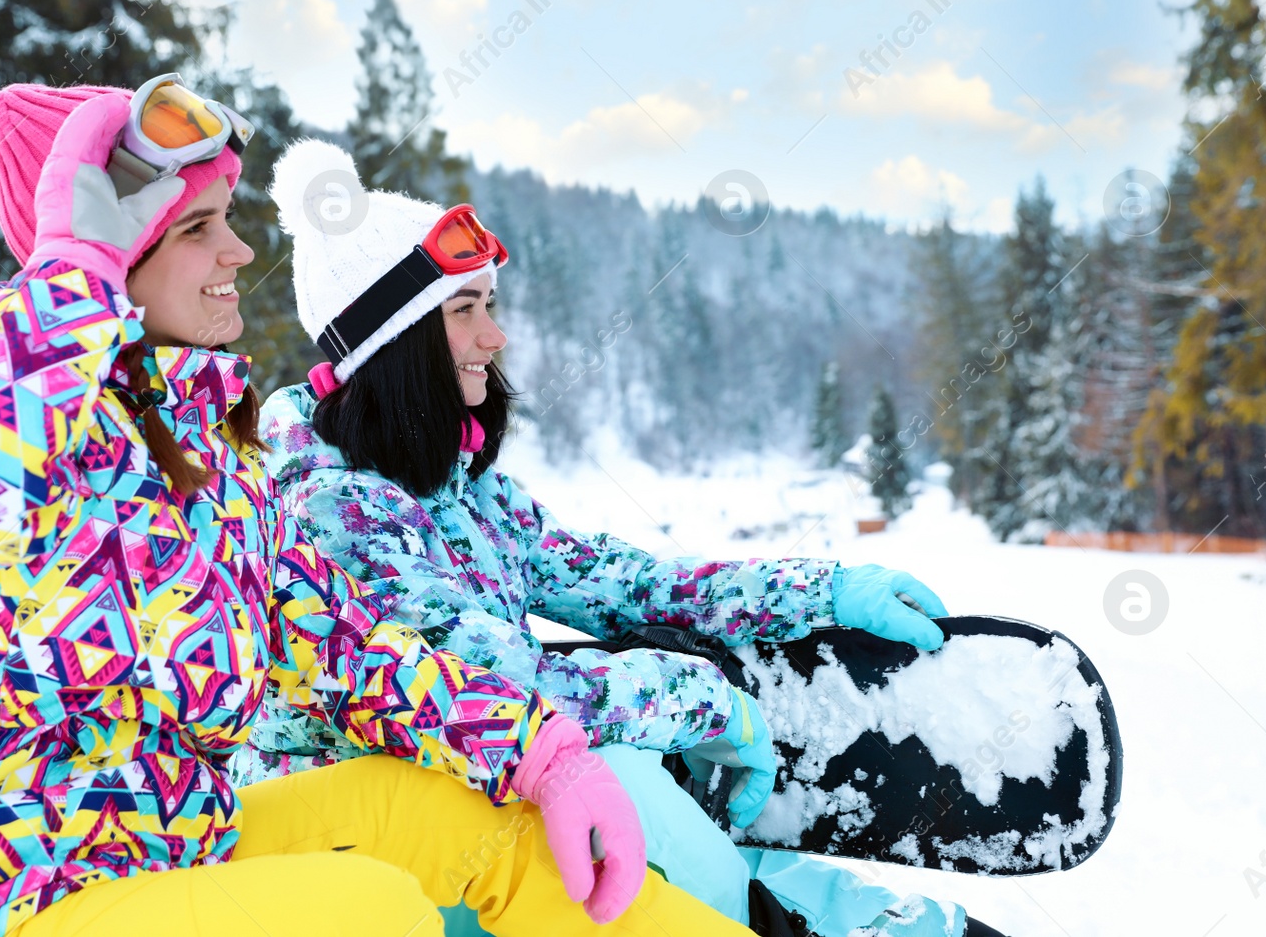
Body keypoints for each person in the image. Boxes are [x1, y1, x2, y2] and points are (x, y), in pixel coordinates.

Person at [0, 82, 764, 937]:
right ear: (106, 259)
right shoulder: (28, 433)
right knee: (369, 911)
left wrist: (541, 751)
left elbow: (343, 647)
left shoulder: (217, 459)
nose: (240, 249)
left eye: (227, 217)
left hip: (157, 843)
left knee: (469, 824)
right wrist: (67, 275)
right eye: (197, 230)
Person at [227, 139, 972, 937]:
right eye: (465, 310)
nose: (495, 336)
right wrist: (712, 704)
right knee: (619, 777)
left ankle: (781, 898)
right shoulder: (330, 509)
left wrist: (819, 589)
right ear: (395, 346)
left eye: (491, 304)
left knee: (668, 806)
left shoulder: (455, 487)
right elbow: (508, 692)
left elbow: (629, 584)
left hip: (488, 825)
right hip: (379, 874)